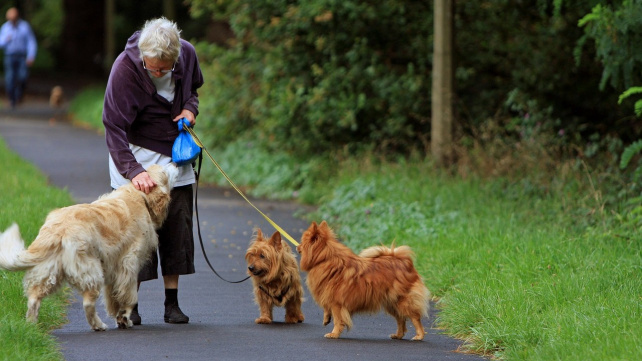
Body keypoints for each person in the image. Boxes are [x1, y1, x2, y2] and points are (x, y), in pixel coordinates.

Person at [103, 17, 204, 325]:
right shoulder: (125, 68)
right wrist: (134, 171)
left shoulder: (186, 53)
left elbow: (193, 93)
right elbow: (113, 126)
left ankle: (172, 303)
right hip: (135, 153)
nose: (159, 73)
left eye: (165, 68)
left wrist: (190, 109)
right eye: (153, 68)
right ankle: (131, 305)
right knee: (135, 233)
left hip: (176, 154)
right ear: (143, 56)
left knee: (176, 224)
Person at [0, 7, 37, 108]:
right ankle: (12, 99)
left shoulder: (25, 26)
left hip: (21, 56)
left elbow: (31, 42)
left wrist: (31, 55)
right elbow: (0, 43)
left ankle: (19, 96)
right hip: (9, 56)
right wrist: (6, 40)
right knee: (10, 78)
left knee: (22, 76)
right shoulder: (5, 28)